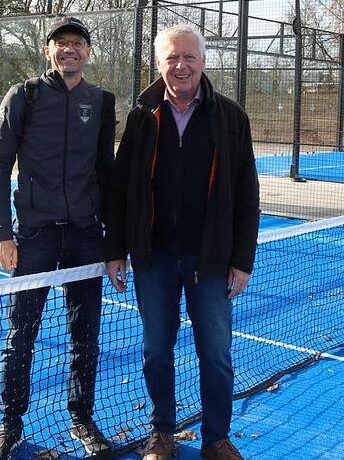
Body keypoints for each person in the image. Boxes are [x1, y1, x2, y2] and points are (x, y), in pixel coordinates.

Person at [104, 24, 260, 460]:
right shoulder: (141, 118)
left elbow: (247, 195)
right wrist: (115, 249)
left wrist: (242, 260)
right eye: (172, 58)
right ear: (159, 64)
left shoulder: (231, 118)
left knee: (216, 355)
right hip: (153, 260)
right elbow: (121, 190)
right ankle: (162, 432)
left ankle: (216, 438)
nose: (181, 65)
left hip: (210, 261)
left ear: (204, 62)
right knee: (156, 350)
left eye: (189, 57)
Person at [0, 16, 116, 459]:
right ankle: (10, 425)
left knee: (86, 335)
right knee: (21, 335)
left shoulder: (100, 101)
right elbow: (0, 165)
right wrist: (5, 234)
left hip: (85, 236)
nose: (69, 50)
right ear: (48, 50)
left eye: (77, 43)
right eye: (61, 43)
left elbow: (106, 171)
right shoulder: (23, 96)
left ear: (88, 52)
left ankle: (82, 418)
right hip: (35, 237)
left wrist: (113, 240)